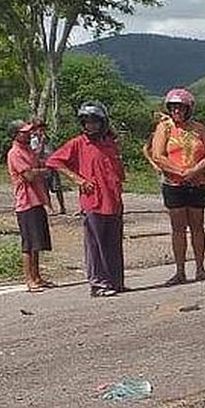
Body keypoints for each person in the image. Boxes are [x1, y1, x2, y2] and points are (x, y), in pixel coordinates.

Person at [46, 101, 127, 298]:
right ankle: (98, 283)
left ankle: (115, 281)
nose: (91, 126)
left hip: (113, 201)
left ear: (103, 122)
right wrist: (78, 179)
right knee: (95, 245)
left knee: (113, 244)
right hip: (94, 202)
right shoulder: (79, 143)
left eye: (95, 122)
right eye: (87, 122)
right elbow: (54, 160)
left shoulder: (110, 144)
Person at [149, 88, 205, 285]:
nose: (177, 111)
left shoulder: (199, 129)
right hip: (174, 183)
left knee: (198, 226)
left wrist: (194, 171)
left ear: (188, 109)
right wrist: (180, 171)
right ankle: (180, 271)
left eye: (181, 107)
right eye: (173, 107)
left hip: (197, 182)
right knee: (178, 228)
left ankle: (201, 268)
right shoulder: (164, 128)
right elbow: (158, 155)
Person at [6, 120, 55, 292]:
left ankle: (37, 276)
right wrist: (45, 171)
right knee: (28, 244)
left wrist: (41, 145)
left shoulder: (28, 150)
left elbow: (38, 162)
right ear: (15, 134)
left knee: (37, 243)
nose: (28, 134)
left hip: (37, 200)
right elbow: (29, 175)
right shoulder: (15, 153)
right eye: (24, 132)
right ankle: (29, 279)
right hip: (26, 202)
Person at [29, 118, 65, 215]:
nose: (42, 131)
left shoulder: (49, 139)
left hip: (52, 165)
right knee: (45, 189)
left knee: (57, 187)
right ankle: (50, 208)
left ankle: (62, 207)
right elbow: (36, 154)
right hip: (42, 166)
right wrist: (41, 143)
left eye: (43, 129)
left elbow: (55, 150)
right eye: (40, 129)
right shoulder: (34, 141)